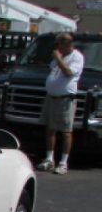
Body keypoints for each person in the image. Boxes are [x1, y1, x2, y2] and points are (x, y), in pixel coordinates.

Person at [37, 32, 84, 175]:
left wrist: (58, 58)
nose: (57, 47)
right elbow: (54, 70)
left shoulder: (77, 57)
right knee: (50, 128)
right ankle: (49, 159)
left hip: (65, 99)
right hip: (51, 97)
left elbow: (69, 73)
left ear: (66, 44)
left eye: (59, 44)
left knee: (65, 131)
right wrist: (58, 58)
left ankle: (63, 162)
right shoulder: (60, 56)